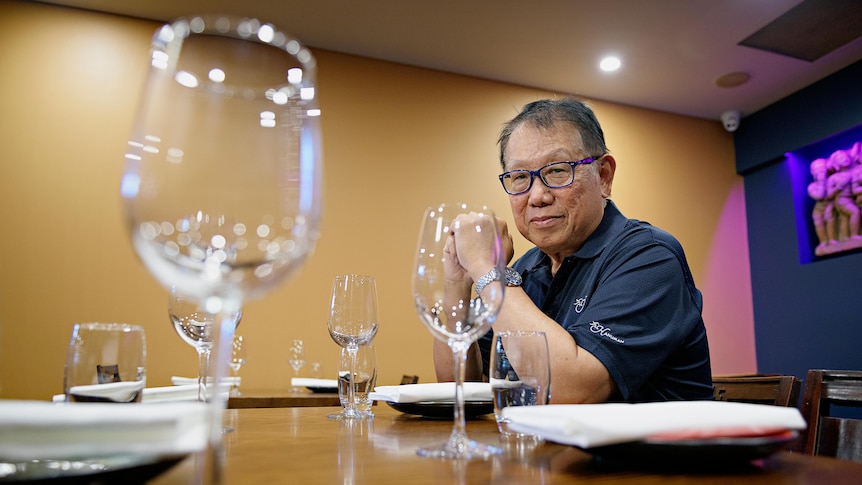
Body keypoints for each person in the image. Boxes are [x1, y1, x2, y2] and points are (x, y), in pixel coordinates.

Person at [433, 98, 714, 403]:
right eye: (520, 178)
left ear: (603, 176)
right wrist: (457, 285)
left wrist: (491, 272)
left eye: (557, 171)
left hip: (649, 450)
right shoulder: (525, 270)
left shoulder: (650, 257)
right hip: (546, 450)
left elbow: (570, 392)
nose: (537, 196)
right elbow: (460, 390)